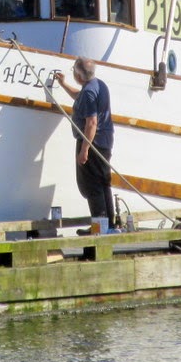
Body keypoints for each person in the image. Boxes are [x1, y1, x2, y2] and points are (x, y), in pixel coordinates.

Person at [54, 56, 115, 233]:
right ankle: (109, 226)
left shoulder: (88, 92)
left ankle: (99, 228)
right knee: (104, 183)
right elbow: (79, 96)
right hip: (104, 142)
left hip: (92, 143)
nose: (72, 72)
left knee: (92, 185)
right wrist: (64, 84)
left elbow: (91, 123)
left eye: (74, 70)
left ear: (79, 75)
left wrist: (84, 150)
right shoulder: (98, 85)